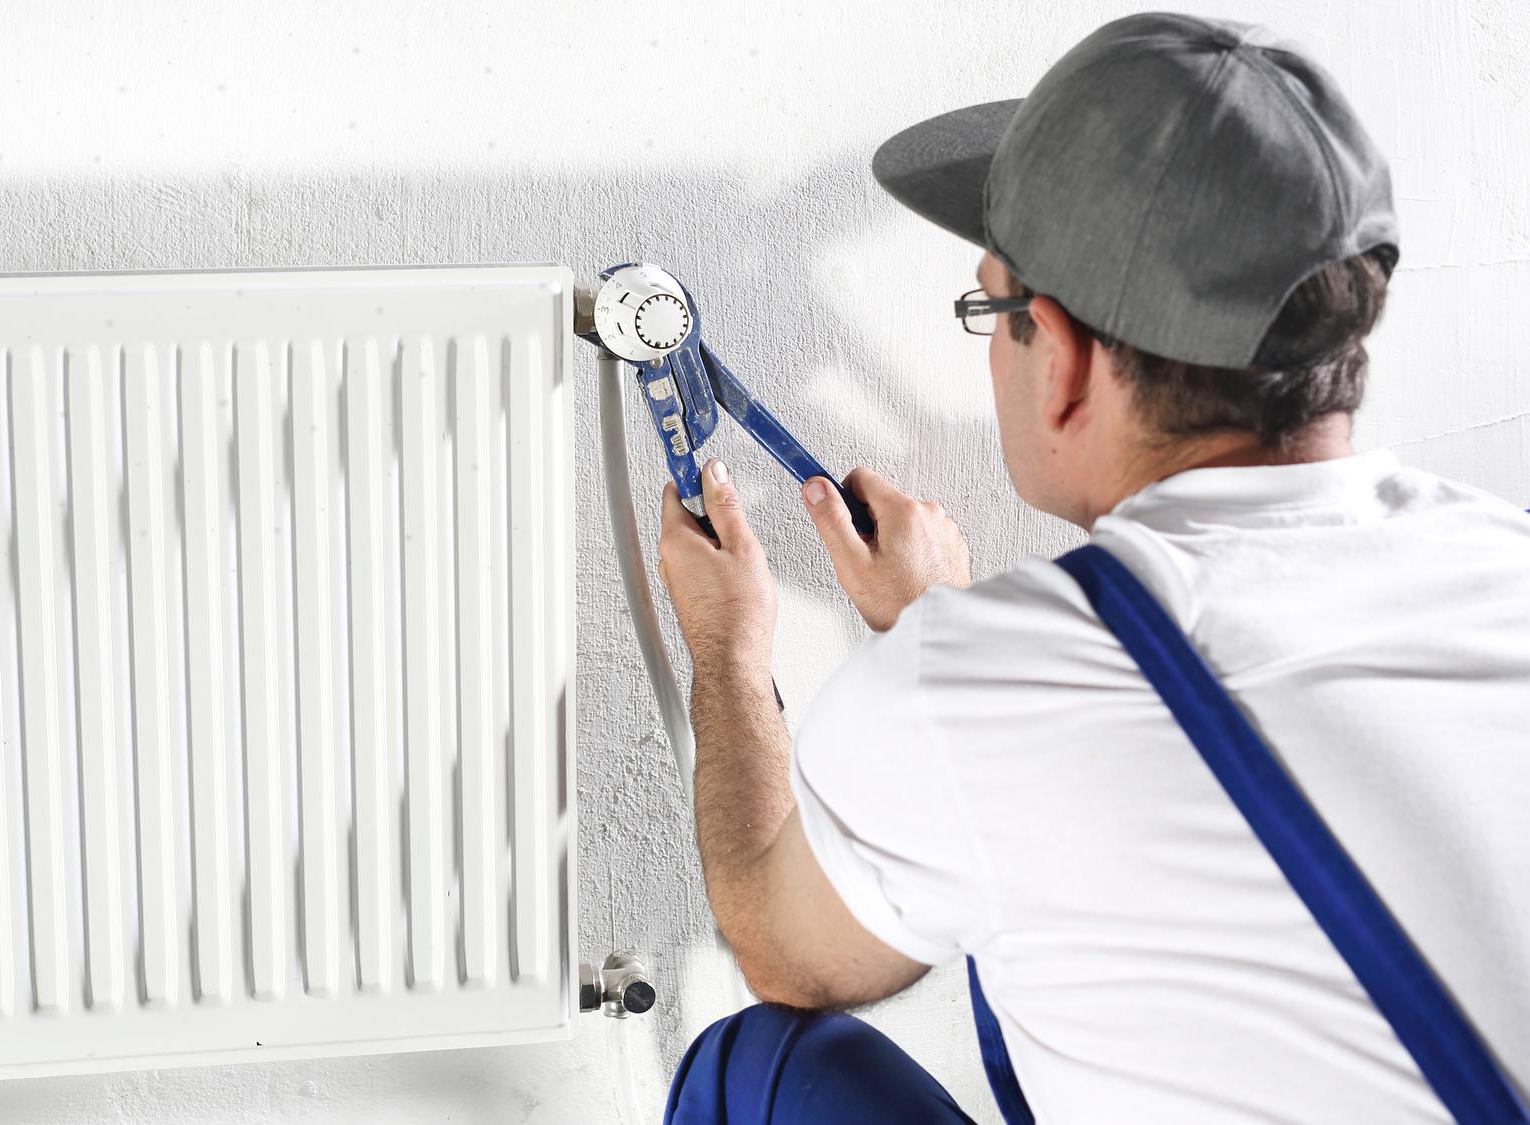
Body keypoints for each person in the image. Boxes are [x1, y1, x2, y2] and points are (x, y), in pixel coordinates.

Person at [655, 12, 1530, 1124]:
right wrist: (946, 630)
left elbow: (783, 951)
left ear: (1058, 357)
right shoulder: (1505, 563)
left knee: (758, 1068)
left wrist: (728, 647)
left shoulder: (980, 683)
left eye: (989, 308)